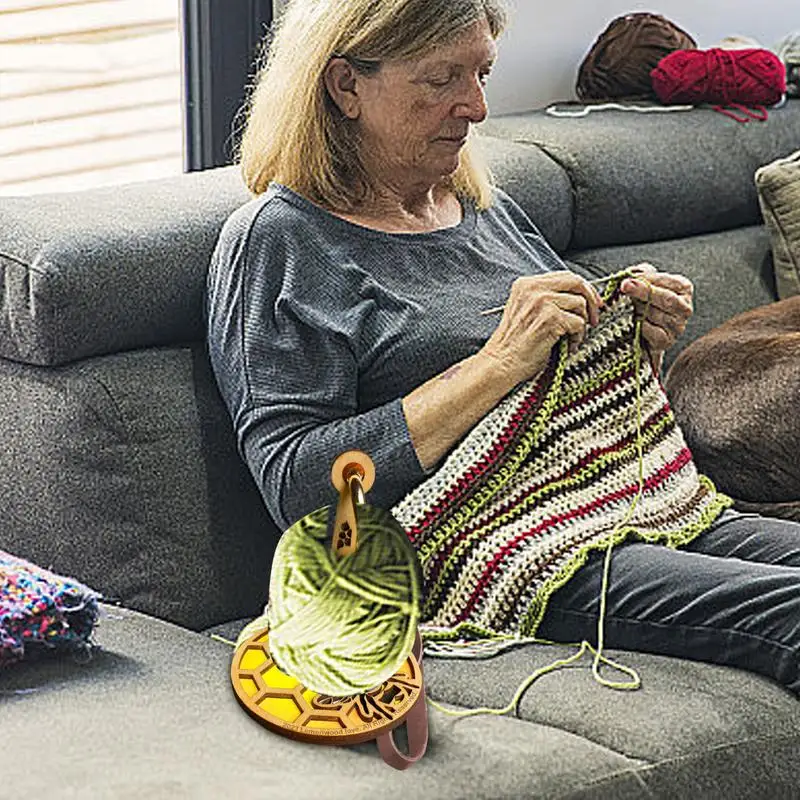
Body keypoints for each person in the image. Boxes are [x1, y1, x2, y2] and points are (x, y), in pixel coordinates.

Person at [206, 0, 800, 696]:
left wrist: (637, 347)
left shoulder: (480, 207)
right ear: (346, 87)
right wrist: (493, 366)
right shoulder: (279, 242)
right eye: (442, 79)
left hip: (633, 503)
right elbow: (299, 489)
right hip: (495, 550)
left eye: (482, 73)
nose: (478, 106)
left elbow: (576, 401)